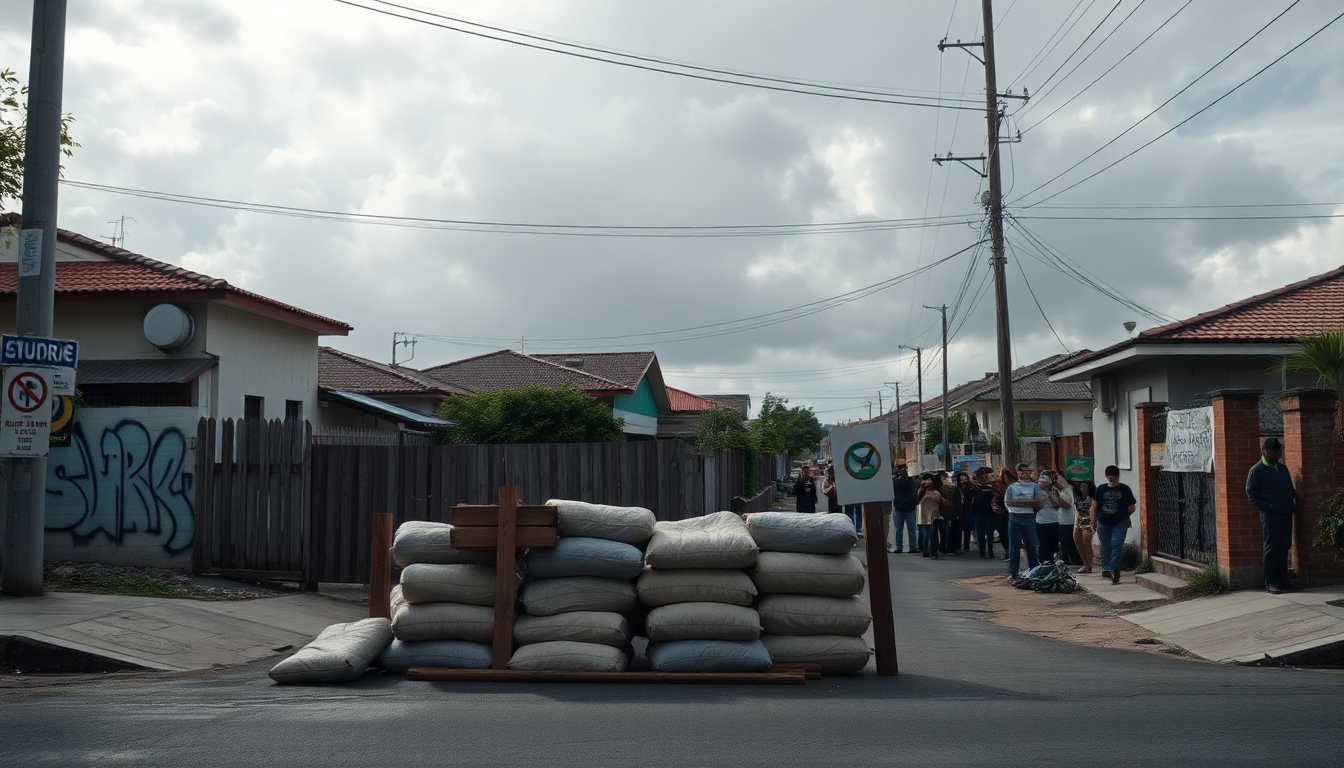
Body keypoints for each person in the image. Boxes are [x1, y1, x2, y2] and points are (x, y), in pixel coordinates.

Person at [1245, 437, 1298, 594]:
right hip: (1270, 515)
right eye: (1273, 451)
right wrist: (1265, 506)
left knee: (1284, 546)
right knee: (1271, 548)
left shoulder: (1282, 468)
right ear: (1265, 451)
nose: (1277, 453)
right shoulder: (1257, 470)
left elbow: (1289, 488)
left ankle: (1283, 579)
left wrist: (1291, 502)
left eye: (1279, 450)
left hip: (1285, 513)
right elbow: (1251, 491)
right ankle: (1270, 582)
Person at [1095, 465, 1137, 585]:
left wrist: (1124, 516)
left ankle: (1109, 568)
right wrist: (1093, 519)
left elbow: (1132, 507)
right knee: (1106, 547)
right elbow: (1095, 504)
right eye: (1108, 476)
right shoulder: (1101, 489)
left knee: (1116, 545)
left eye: (1113, 475)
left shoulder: (1124, 489)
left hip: (1119, 522)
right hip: (1103, 522)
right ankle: (1113, 571)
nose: (1111, 478)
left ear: (1117, 475)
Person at [1003, 462, 1044, 578]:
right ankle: (1013, 571)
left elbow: (1037, 502)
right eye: (1020, 471)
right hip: (1014, 517)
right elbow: (1009, 502)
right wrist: (1028, 501)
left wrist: (1019, 501)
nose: (1023, 473)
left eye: (1025, 471)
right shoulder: (1012, 487)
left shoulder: (1035, 486)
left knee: (1031, 545)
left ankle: (1034, 570)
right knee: (1014, 546)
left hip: (1029, 517)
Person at [1053, 473, 1083, 566]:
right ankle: (1073, 561)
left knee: (1067, 544)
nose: (1058, 482)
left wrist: (1054, 498)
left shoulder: (1069, 490)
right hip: (1066, 520)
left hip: (1067, 521)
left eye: (1059, 479)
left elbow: (1067, 505)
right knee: (1068, 543)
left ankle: (1069, 561)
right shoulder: (1068, 490)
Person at [890, 463, 920, 553]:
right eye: (901, 469)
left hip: (909, 506)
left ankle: (912, 546)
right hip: (900, 507)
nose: (903, 471)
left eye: (904, 469)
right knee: (899, 529)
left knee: (911, 529)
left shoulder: (912, 480)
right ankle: (900, 547)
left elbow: (917, 486)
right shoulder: (894, 481)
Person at [968, 468, 997, 558]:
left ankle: (985, 551)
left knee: (985, 532)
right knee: (984, 532)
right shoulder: (987, 487)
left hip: (984, 511)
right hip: (983, 511)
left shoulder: (977, 487)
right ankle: (985, 550)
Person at [917, 473, 946, 559]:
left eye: (928, 479)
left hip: (936, 515)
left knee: (933, 534)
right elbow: (918, 501)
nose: (925, 482)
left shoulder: (938, 491)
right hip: (925, 515)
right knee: (927, 534)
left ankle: (933, 551)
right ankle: (926, 550)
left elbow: (944, 502)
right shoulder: (922, 491)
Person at [1035, 470, 1062, 563]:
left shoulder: (1055, 490)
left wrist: (1050, 496)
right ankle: (1043, 563)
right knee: (1042, 544)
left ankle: (1051, 563)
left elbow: (1058, 505)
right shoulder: (1036, 491)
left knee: (1053, 544)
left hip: (1053, 521)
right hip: (1040, 521)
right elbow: (1035, 506)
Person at [1072, 479, 1096, 574]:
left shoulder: (1093, 498)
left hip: (1088, 521)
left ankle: (1089, 564)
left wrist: (1093, 523)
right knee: (1078, 542)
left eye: (1085, 486)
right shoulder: (1077, 497)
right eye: (1081, 486)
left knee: (1087, 541)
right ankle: (1085, 563)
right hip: (1078, 522)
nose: (1083, 489)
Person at [991, 467, 1013, 560]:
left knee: (1007, 532)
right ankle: (1008, 550)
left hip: (1008, 511)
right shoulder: (997, 484)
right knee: (1003, 532)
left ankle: (1009, 550)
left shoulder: (1012, 485)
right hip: (1000, 511)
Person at [939, 471, 962, 555]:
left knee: (951, 530)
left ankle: (949, 548)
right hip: (944, 512)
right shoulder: (941, 489)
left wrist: (958, 512)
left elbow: (957, 501)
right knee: (945, 531)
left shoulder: (955, 488)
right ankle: (944, 547)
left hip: (952, 512)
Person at [956, 471, 975, 552]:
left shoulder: (971, 488)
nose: (963, 481)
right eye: (961, 480)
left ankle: (966, 545)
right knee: (959, 528)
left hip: (968, 509)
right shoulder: (957, 489)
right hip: (959, 510)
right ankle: (958, 545)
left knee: (967, 528)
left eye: (965, 479)